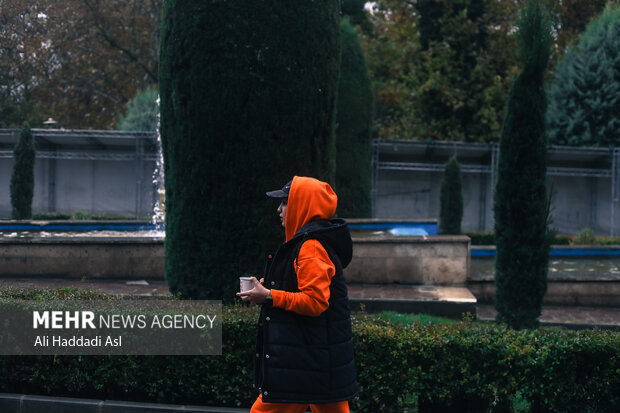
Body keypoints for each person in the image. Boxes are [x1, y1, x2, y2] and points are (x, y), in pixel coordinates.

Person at [237, 176, 358, 413]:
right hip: (314, 361)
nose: (278, 209)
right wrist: (268, 289)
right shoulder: (308, 243)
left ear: (303, 206)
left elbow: (315, 301)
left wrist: (270, 295)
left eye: (284, 203)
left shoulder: (310, 247)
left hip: (307, 362)